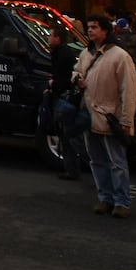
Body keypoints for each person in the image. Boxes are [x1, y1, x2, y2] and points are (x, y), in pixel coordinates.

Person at [75, 14, 136, 218]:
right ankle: (105, 198)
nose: (90, 30)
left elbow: (129, 91)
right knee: (96, 160)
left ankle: (122, 201)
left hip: (111, 117)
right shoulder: (86, 53)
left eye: (94, 27)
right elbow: (76, 71)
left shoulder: (120, 56)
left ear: (104, 30)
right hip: (90, 115)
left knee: (117, 162)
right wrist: (77, 79)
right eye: (88, 27)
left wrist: (127, 121)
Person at [48, 22, 83, 180]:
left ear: (58, 39)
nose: (49, 38)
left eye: (51, 35)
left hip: (65, 98)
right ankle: (71, 168)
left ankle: (74, 167)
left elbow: (64, 79)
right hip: (65, 97)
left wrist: (53, 84)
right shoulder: (62, 52)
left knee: (69, 135)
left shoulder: (62, 54)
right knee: (67, 136)